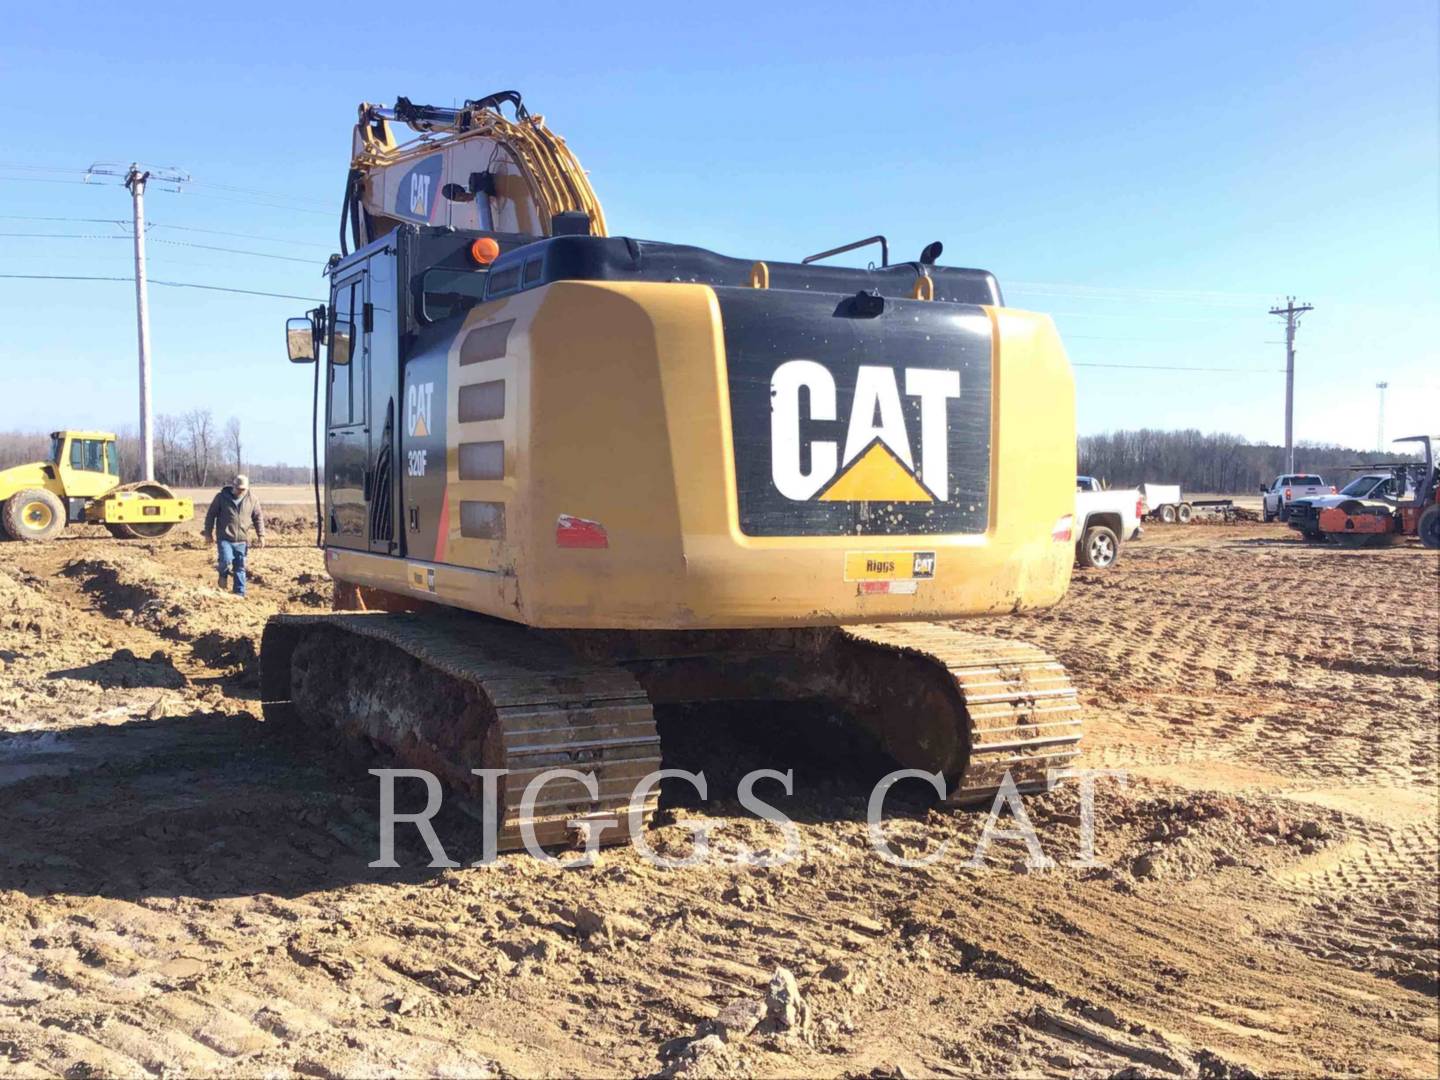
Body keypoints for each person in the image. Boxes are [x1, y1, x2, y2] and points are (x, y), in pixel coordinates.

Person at [202, 474, 265, 597]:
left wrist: (261, 535)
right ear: (233, 486)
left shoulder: (253, 499)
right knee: (225, 561)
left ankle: (239, 593)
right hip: (225, 537)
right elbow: (211, 515)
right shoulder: (221, 498)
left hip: (242, 539)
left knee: (240, 567)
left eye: (244, 489)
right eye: (239, 489)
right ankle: (223, 576)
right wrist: (208, 533)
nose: (241, 492)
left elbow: (258, 518)